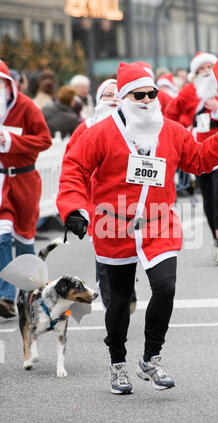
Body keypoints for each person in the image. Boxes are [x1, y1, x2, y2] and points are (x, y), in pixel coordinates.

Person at [56, 61, 218, 395]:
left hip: (159, 223)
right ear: (125, 97)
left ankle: (151, 357)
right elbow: (74, 169)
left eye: (151, 93)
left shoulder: (170, 130)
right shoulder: (100, 132)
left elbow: (199, 159)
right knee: (119, 301)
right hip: (114, 226)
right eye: (138, 94)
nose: (146, 100)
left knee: (166, 288)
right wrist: (74, 209)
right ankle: (117, 364)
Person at [64, 78, 138, 312]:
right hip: (96, 203)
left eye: (118, 94)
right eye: (108, 95)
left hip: (128, 203)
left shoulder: (135, 127)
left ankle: (128, 289)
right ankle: (112, 306)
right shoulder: (85, 129)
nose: (114, 99)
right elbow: (71, 164)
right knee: (103, 252)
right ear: (98, 101)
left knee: (128, 248)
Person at [165, 52, 218, 263]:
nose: (206, 71)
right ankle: (216, 239)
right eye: (202, 68)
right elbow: (169, 117)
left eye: (210, 67)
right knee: (208, 197)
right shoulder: (187, 92)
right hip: (197, 147)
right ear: (195, 73)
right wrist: (184, 127)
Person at [0, 60, 52, 318]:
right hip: (0, 183)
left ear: (7, 84)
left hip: (23, 180)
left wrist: (11, 140)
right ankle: (6, 297)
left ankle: (32, 293)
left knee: (23, 239)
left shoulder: (26, 106)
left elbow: (45, 140)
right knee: (2, 234)